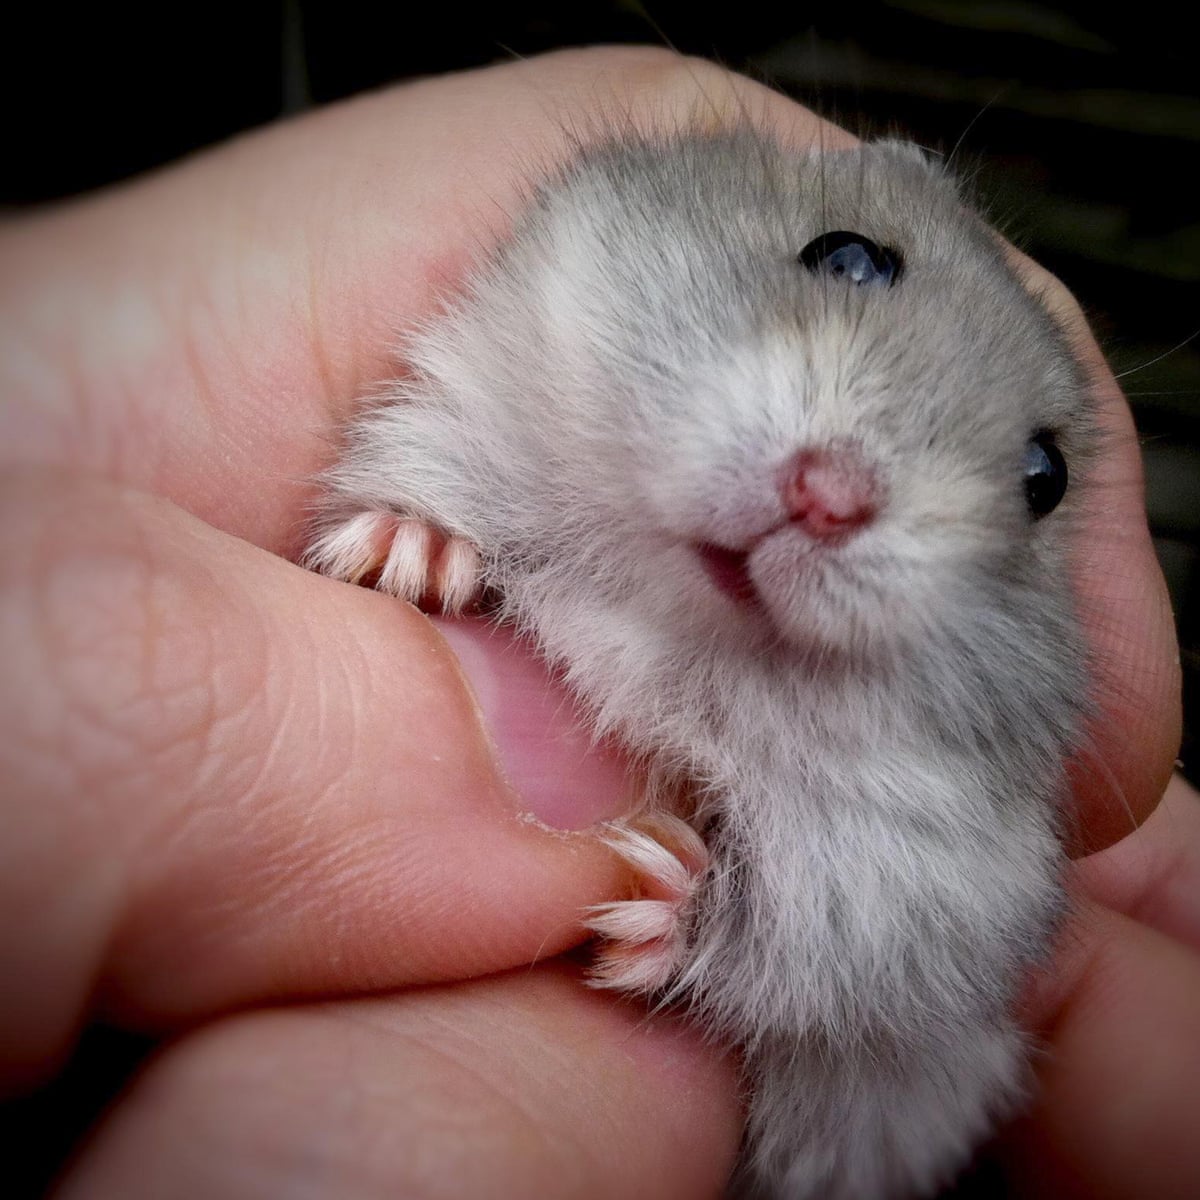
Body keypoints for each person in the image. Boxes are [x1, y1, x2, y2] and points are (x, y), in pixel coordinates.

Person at [0, 46, 1193, 1198]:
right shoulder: (536, 333)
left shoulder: (961, 768)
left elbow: (913, 957)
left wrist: (722, 935)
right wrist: (415, 522)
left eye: (1036, 479)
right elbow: (452, 415)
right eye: (848, 260)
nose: (830, 494)